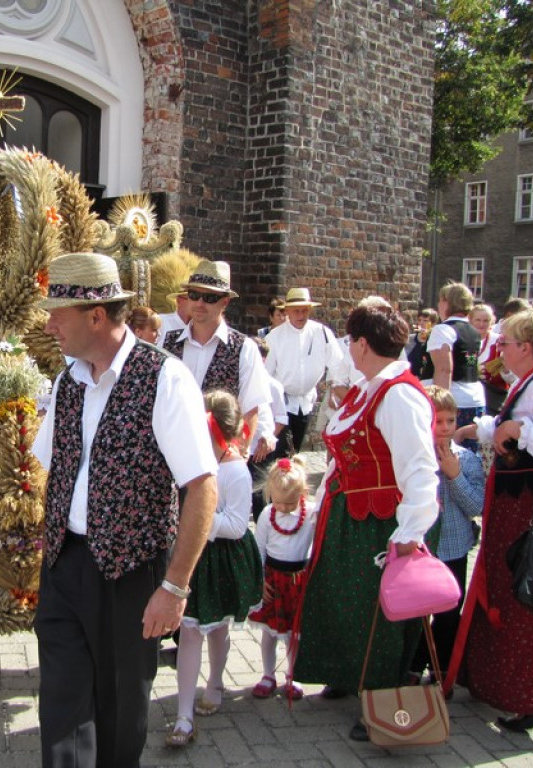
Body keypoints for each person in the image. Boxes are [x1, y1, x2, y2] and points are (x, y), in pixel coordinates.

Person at [31, 252, 217, 768]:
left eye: (57, 315)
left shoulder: (164, 378)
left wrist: (174, 588)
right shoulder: (68, 381)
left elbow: (202, 487)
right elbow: (50, 465)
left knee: (119, 712)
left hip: (131, 573)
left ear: (95, 316)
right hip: (64, 565)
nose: (48, 326)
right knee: (63, 709)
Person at [291, 297, 438, 742]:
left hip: (378, 523)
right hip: (347, 518)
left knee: (376, 612)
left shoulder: (399, 395)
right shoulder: (367, 387)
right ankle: (345, 673)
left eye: (350, 339)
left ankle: (382, 702)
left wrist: (410, 532)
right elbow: (341, 457)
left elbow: (419, 468)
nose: (348, 347)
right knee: (340, 600)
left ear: (361, 344)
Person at [447, 307, 533, 733]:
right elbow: (516, 423)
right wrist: (481, 430)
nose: (498, 350)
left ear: (526, 347)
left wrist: (519, 431)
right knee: (511, 595)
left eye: (504, 343)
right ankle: (514, 684)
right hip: (521, 505)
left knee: (530, 598)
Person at [166, 389, 262, 747]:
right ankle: (184, 715)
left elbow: (237, 525)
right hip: (192, 557)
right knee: (190, 631)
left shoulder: (235, 472)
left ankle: (216, 682)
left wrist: (199, 518)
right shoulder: (190, 461)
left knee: (218, 627)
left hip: (222, 560)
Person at [407, 385, 483, 686]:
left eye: (450, 420)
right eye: (437, 421)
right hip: (421, 549)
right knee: (417, 612)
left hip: (454, 547)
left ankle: (441, 669)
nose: (445, 427)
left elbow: (476, 506)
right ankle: (413, 666)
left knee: (449, 611)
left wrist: (454, 475)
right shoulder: (412, 457)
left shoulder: (467, 460)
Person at [162, 260, 272, 456]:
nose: (199, 303)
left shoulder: (244, 348)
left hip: (219, 457)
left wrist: (237, 457)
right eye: (194, 295)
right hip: (171, 453)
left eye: (209, 297)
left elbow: (250, 409)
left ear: (225, 302)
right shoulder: (167, 342)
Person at [248, 456, 316, 701]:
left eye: (289, 503)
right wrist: (259, 581)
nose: (284, 508)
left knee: (294, 634)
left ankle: (292, 675)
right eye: (278, 502)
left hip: (297, 581)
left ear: (303, 494)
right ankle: (268, 674)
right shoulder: (268, 515)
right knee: (269, 632)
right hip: (273, 581)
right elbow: (259, 549)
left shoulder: (310, 515)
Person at [264, 287, 343, 454]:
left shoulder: (322, 333)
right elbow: (265, 374)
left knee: (296, 449)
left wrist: (334, 390)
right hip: (281, 402)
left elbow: (337, 364)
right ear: (287, 311)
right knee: (281, 451)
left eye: (304, 311)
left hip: (305, 401)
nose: (301, 315)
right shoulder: (274, 337)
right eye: (296, 311)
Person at [428, 282, 485, 437]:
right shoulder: (474, 331)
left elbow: (444, 370)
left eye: (440, 301)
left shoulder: (443, 330)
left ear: (447, 302)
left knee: (446, 448)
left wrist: (440, 405)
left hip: (454, 401)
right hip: (475, 398)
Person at [248, 336, 288, 519]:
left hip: (261, 449)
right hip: (242, 448)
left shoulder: (273, 385)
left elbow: (280, 418)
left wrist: (267, 439)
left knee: (259, 495)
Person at [408, 308, 439, 381]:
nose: (421, 323)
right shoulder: (409, 340)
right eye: (419, 320)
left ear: (433, 323)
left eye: (425, 321)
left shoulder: (436, 341)